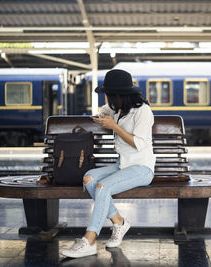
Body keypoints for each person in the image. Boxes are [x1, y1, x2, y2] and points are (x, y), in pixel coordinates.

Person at [61, 69, 155, 258]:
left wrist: (114, 127)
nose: (108, 99)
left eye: (110, 95)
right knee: (88, 179)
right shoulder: (118, 108)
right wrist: (104, 115)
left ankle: (89, 239)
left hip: (142, 167)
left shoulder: (143, 112)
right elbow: (104, 110)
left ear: (121, 95)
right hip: (123, 165)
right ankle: (119, 222)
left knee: (102, 187)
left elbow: (138, 144)